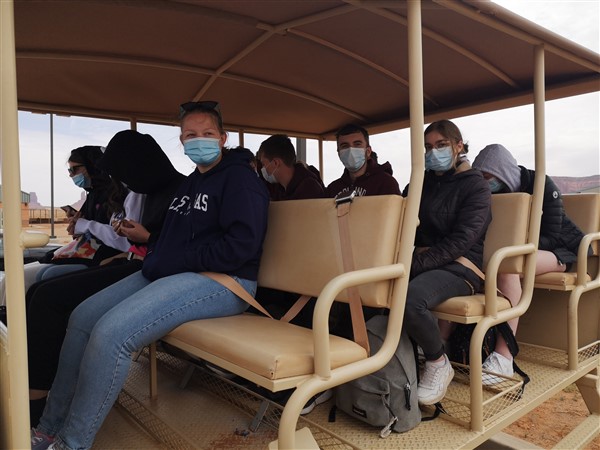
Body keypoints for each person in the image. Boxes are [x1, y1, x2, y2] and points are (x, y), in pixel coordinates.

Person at [30, 101, 269, 450]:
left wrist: (174, 261)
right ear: (182, 141)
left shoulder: (240, 180)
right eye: (191, 135)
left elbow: (240, 247)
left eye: (207, 133)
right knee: (81, 318)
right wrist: (157, 252)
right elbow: (171, 238)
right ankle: (48, 427)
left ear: (222, 138)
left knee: (111, 334)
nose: (199, 140)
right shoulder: (190, 184)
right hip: (178, 271)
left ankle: (71, 443)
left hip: (227, 281)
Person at [26, 129, 185, 427]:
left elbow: (177, 244)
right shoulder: (146, 190)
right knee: (40, 290)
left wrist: (142, 241)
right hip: (135, 262)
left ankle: (38, 406)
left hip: (152, 270)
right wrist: (131, 246)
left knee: (49, 298)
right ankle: (41, 389)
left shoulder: (179, 191)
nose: (122, 181)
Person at [472, 143, 589, 382]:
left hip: (559, 250)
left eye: (488, 177)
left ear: (503, 173)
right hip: (515, 250)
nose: (484, 183)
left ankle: (504, 356)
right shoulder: (497, 192)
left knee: (508, 268)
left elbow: (552, 235)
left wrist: (517, 243)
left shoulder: (541, 185)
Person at [402, 119, 491, 405]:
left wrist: (416, 264)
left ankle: (438, 361)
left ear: (458, 146)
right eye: (428, 147)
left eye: (441, 145)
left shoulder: (475, 186)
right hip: (424, 260)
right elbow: (401, 220)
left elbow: (462, 240)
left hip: (461, 266)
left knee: (410, 298)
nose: (433, 152)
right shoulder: (421, 182)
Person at [0, 146, 127, 306]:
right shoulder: (92, 195)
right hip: (85, 253)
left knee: (23, 279)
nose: (71, 175)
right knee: (12, 276)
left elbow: (116, 236)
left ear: (93, 166)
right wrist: (77, 226)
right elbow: (84, 233)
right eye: (69, 170)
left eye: (75, 169)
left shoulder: (115, 195)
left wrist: (83, 225)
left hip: (101, 257)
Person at [325, 124, 400, 198]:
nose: (351, 150)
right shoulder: (333, 189)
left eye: (357, 144)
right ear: (339, 153)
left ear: (368, 151)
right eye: (345, 146)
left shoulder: (386, 183)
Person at [258, 134, 325, 200]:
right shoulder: (278, 189)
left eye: (263, 164)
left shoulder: (310, 189)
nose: (262, 169)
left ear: (276, 163)